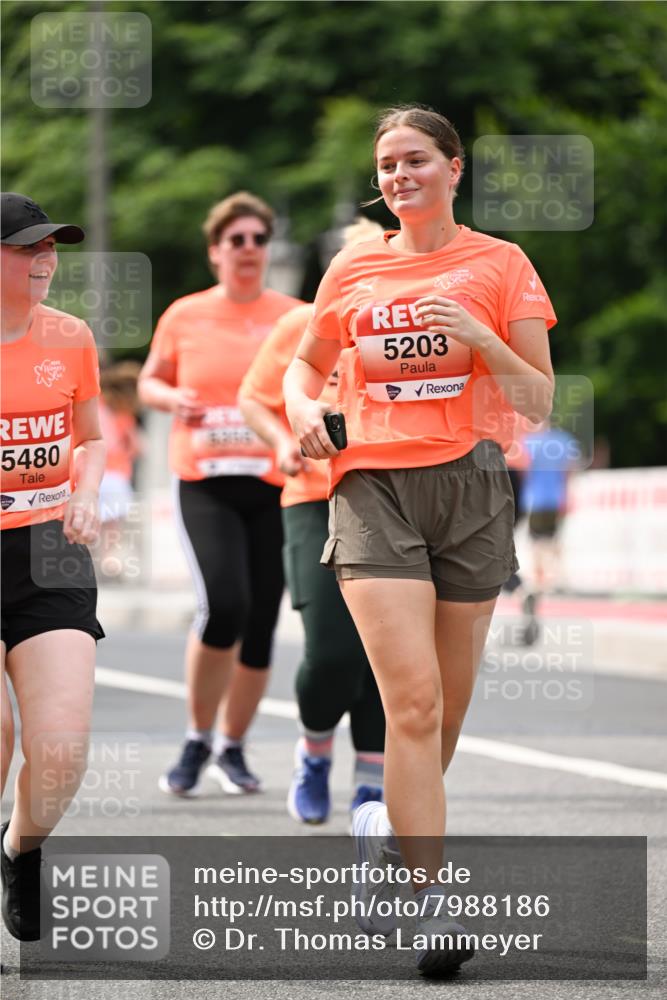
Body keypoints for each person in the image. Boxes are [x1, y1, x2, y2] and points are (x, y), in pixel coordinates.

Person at [283, 106, 556, 976]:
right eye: (387, 165)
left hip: (471, 486)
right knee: (411, 703)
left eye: (415, 160)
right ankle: (431, 902)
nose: (398, 176)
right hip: (371, 486)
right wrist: (303, 410)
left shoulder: (501, 264)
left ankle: (380, 829)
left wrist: (479, 338)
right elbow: (301, 365)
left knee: (446, 710)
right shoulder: (354, 265)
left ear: (453, 167)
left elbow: (538, 401)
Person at [139, 192, 302, 797]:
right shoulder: (185, 315)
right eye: (237, 240)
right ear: (216, 251)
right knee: (225, 605)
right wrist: (170, 398)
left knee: (261, 621)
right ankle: (197, 737)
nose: (249, 249)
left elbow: (321, 381)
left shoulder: (296, 316)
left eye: (260, 239)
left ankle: (233, 747)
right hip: (206, 480)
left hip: (277, 482)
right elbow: (150, 380)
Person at [239, 218, 386, 825]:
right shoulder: (300, 326)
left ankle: (372, 780)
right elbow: (253, 398)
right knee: (331, 652)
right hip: (312, 497)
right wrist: (281, 439)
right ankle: (315, 751)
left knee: (385, 651)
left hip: (393, 498)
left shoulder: (403, 332)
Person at [0, 192, 105, 940]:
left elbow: (90, 438)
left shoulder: (71, 336)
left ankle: (19, 848)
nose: (45, 259)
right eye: (26, 247)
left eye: (51, 247)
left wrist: (87, 493)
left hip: (49, 548)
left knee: (62, 750)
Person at [97, 361, 143, 580]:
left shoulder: (88, 405)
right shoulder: (121, 410)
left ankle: (89, 564)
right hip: (116, 474)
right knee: (112, 527)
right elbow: (136, 446)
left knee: (89, 523)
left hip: (89, 475)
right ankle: (110, 559)